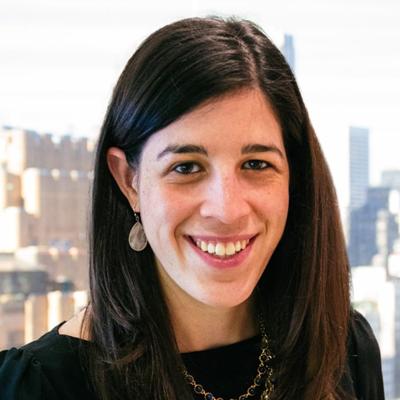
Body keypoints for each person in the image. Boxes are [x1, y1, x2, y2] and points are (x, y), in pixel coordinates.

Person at [0, 16, 384, 400]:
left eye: (256, 164)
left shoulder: (344, 348)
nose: (227, 210)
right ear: (129, 181)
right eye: (186, 167)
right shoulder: (39, 386)